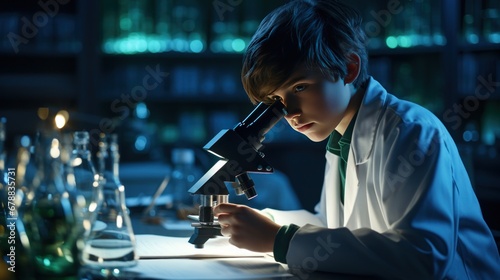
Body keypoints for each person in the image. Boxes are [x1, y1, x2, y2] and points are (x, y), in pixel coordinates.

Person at [212, 0, 500, 279]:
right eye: (276, 101)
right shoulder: (340, 136)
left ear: (349, 68)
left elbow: (423, 256)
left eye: (300, 87)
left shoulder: (411, 131)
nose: (290, 113)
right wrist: (266, 223)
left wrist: (279, 240)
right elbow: (334, 228)